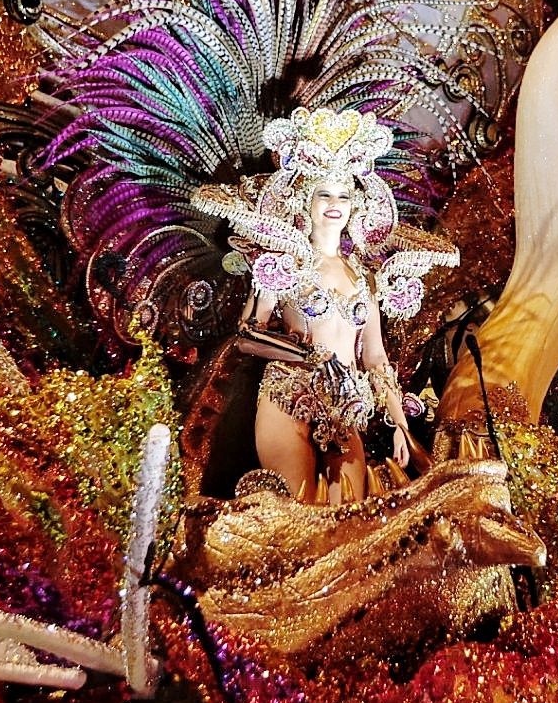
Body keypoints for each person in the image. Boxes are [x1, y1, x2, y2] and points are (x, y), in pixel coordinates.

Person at [193, 107, 455, 502]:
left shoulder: (365, 277)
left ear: (356, 206)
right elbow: (247, 336)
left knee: (347, 520)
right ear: (306, 201)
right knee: (300, 515)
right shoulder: (285, 258)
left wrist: (400, 423)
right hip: (289, 396)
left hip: (346, 408)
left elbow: (376, 357)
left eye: (344, 195)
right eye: (324, 193)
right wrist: (310, 358)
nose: (335, 203)